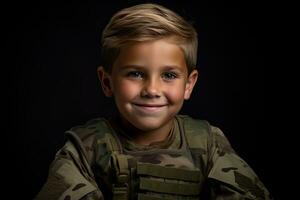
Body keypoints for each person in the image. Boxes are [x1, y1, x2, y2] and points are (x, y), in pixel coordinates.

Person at [35, 3, 272, 200]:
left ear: (188, 84)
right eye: (135, 74)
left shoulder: (208, 143)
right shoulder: (85, 148)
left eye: (168, 75)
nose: (152, 89)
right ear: (107, 82)